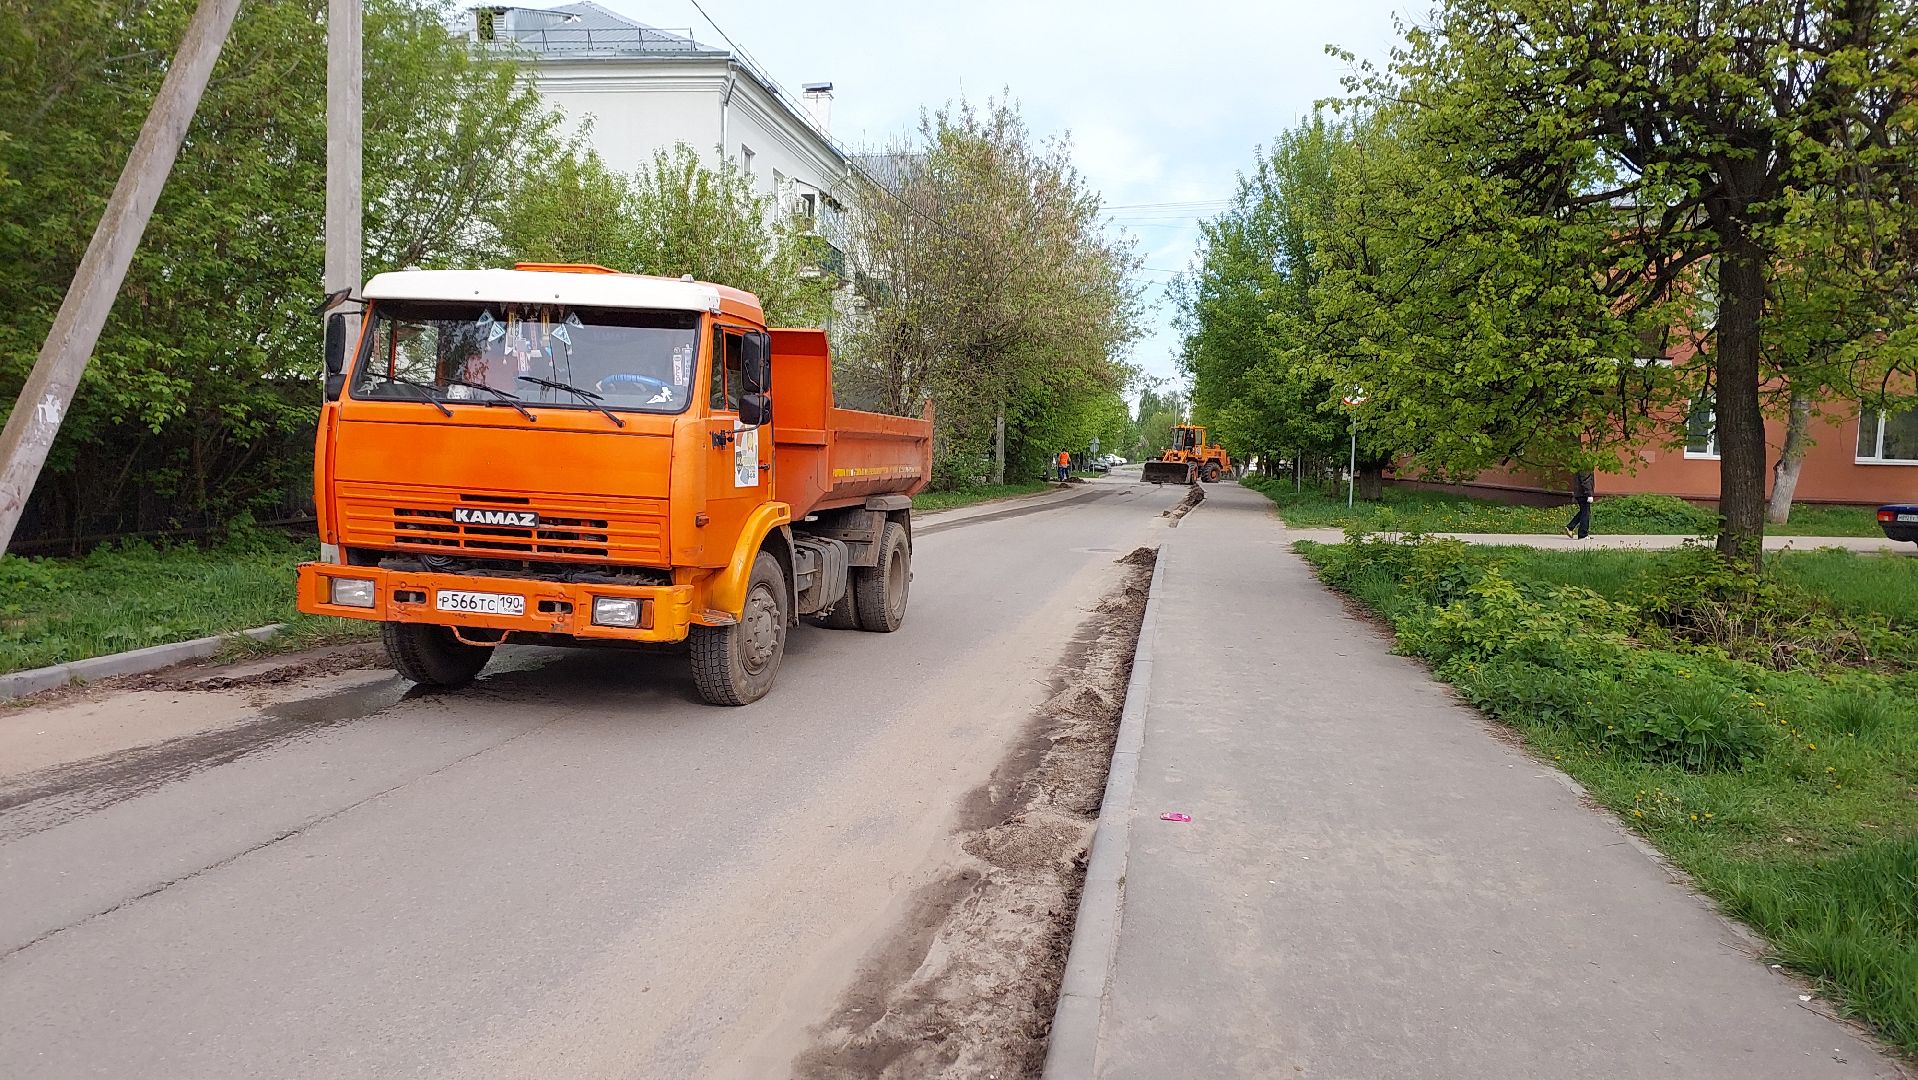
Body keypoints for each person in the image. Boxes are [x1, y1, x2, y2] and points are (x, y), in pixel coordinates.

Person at [1565, 469, 1595, 539]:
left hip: (1581, 493)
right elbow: (1586, 481)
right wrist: (1589, 494)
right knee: (1585, 513)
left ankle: (1570, 527)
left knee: (1583, 512)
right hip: (1583, 494)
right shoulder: (1585, 467)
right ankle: (1583, 534)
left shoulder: (1582, 466)